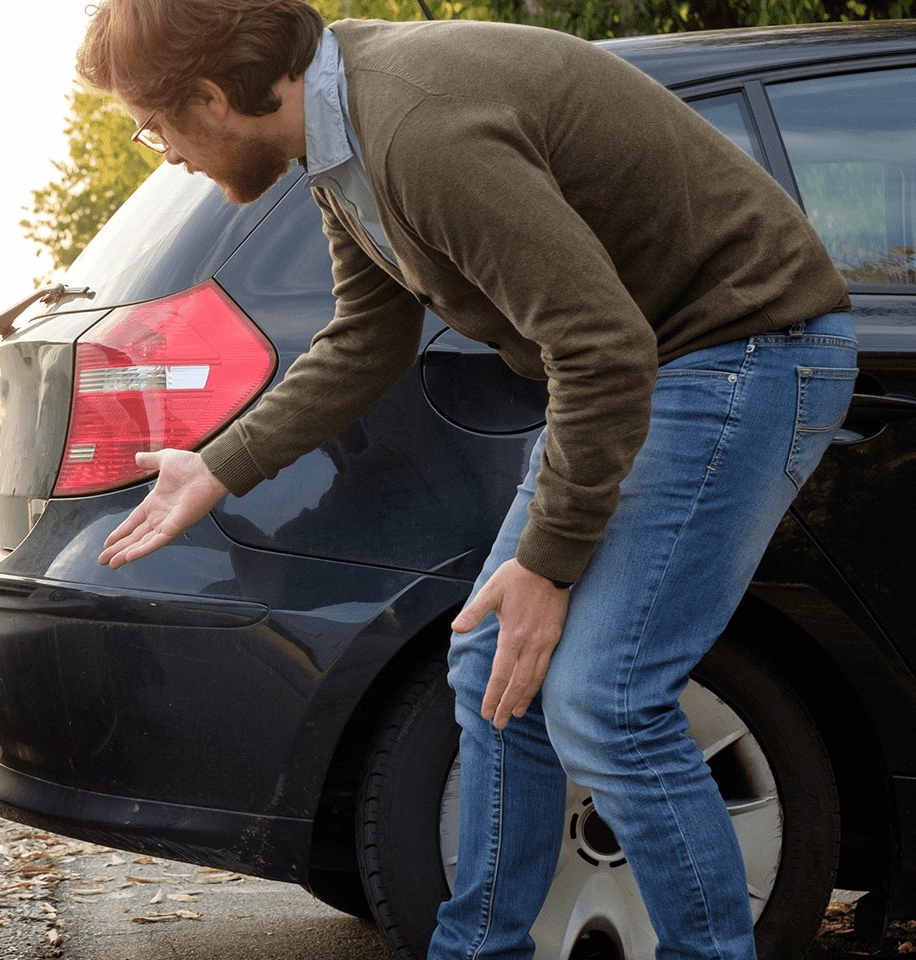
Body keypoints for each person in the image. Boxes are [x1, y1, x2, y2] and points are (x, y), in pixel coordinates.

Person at [80, 2, 855, 957]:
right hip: (654, 364)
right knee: (494, 666)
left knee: (604, 702)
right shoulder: (340, 139)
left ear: (210, 95)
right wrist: (218, 464)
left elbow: (602, 348)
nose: (160, 150)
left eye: (153, 124)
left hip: (738, 352)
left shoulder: (419, 126)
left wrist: (550, 564)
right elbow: (368, 337)